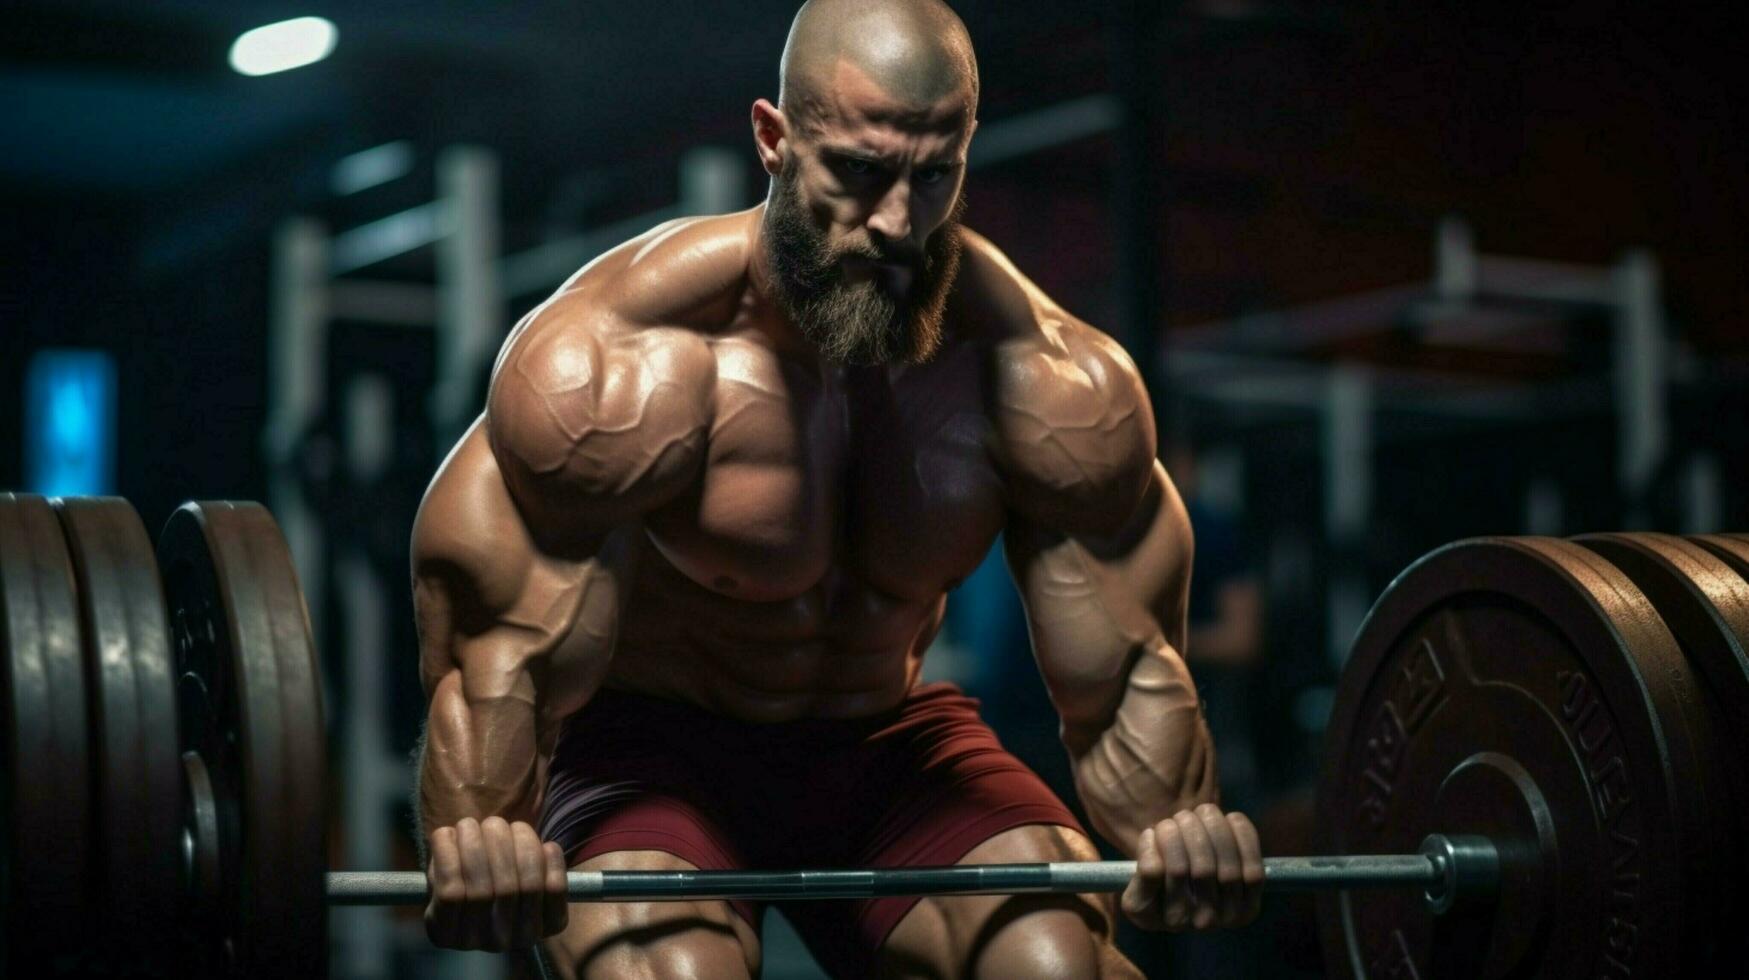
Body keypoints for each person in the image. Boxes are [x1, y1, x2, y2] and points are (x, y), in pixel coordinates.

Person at [411, 2, 1262, 976]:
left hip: (882, 744)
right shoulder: (615, 369)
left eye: (934, 175)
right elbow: (500, 661)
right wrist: (482, 834)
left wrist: (1180, 830)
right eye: (861, 172)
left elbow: (1123, 676)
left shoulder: (1047, 382)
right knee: (667, 970)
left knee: (1057, 958)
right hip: (651, 747)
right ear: (775, 139)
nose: (900, 223)